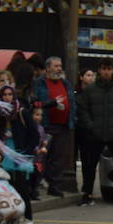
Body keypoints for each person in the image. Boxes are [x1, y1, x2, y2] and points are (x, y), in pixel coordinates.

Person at [74, 58, 113, 206]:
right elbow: (83, 111)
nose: (106, 72)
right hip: (95, 134)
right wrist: (91, 127)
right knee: (90, 165)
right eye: (104, 69)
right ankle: (87, 194)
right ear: (99, 70)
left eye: (109, 69)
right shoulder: (90, 90)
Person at [0, 84, 39, 224]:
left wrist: (26, 152)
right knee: (9, 186)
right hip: (6, 152)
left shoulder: (22, 112)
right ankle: (13, 215)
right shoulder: (0, 114)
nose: (7, 97)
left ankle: (28, 217)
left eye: (10, 94)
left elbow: (35, 134)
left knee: (22, 186)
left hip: (20, 153)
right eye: (4, 95)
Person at [32, 56, 75, 197]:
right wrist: (51, 103)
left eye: (60, 65)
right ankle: (35, 187)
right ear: (48, 68)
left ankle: (54, 186)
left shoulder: (66, 83)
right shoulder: (39, 83)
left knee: (58, 158)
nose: (59, 68)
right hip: (46, 125)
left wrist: (73, 118)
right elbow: (35, 102)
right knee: (41, 157)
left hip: (63, 126)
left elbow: (71, 102)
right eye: (56, 66)